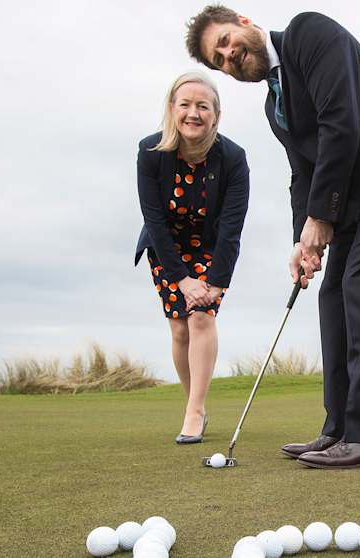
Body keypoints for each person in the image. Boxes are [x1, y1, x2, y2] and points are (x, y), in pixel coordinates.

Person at [185, 8, 360, 468]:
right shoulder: (275, 106)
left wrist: (321, 217)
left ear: (244, 22)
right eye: (220, 60)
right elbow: (303, 173)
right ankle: (339, 428)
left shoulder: (307, 33)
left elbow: (341, 120)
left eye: (227, 40)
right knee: (332, 294)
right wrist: (304, 240)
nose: (230, 54)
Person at [134, 71, 250, 444]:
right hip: (167, 248)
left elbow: (232, 227)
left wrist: (214, 283)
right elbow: (153, 220)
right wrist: (181, 278)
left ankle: (194, 411)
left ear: (215, 114)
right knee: (180, 327)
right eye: (185, 105)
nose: (193, 113)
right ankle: (193, 404)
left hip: (211, 249)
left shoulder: (233, 158)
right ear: (172, 109)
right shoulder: (150, 153)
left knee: (200, 317)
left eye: (203, 106)